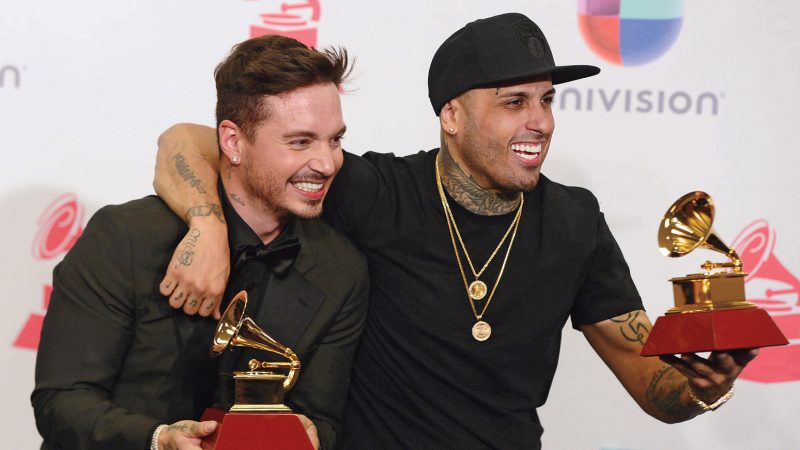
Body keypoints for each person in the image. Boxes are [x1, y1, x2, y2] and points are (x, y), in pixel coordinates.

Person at [152, 13, 757, 449]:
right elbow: (188, 141)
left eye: (547, 100)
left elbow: (651, 382)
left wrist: (704, 386)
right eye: (514, 102)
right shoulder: (377, 191)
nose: (541, 122)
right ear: (451, 116)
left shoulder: (574, 220)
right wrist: (207, 227)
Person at [32, 34, 368, 450]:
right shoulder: (126, 237)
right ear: (233, 142)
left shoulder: (341, 269)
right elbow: (61, 402)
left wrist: (309, 434)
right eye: (300, 141)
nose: (327, 163)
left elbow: (325, 419)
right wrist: (158, 439)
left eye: (335, 140)